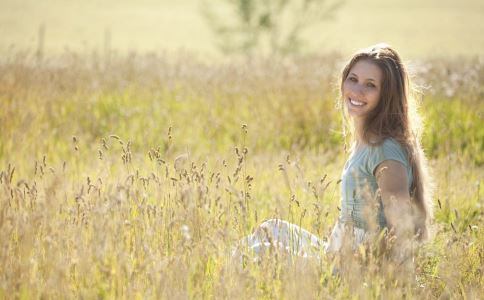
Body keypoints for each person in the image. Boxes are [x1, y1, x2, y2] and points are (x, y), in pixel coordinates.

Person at [233, 43, 433, 262]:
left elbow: (402, 234)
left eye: (370, 85)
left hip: (353, 268)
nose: (357, 91)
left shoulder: (385, 150)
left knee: (254, 253)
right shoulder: (367, 141)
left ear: (386, 95)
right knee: (270, 229)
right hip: (335, 254)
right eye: (353, 79)